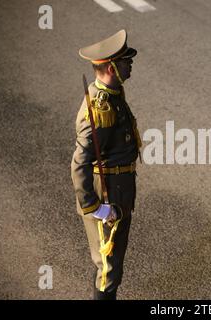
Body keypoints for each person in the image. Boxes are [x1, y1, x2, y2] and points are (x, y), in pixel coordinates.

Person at [71, 29, 142, 300]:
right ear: (111, 67)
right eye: (125, 61)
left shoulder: (113, 94)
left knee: (112, 266)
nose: (130, 63)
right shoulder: (100, 109)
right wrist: (95, 208)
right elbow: (79, 163)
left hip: (119, 191)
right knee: (108, 269)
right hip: (107, 194)